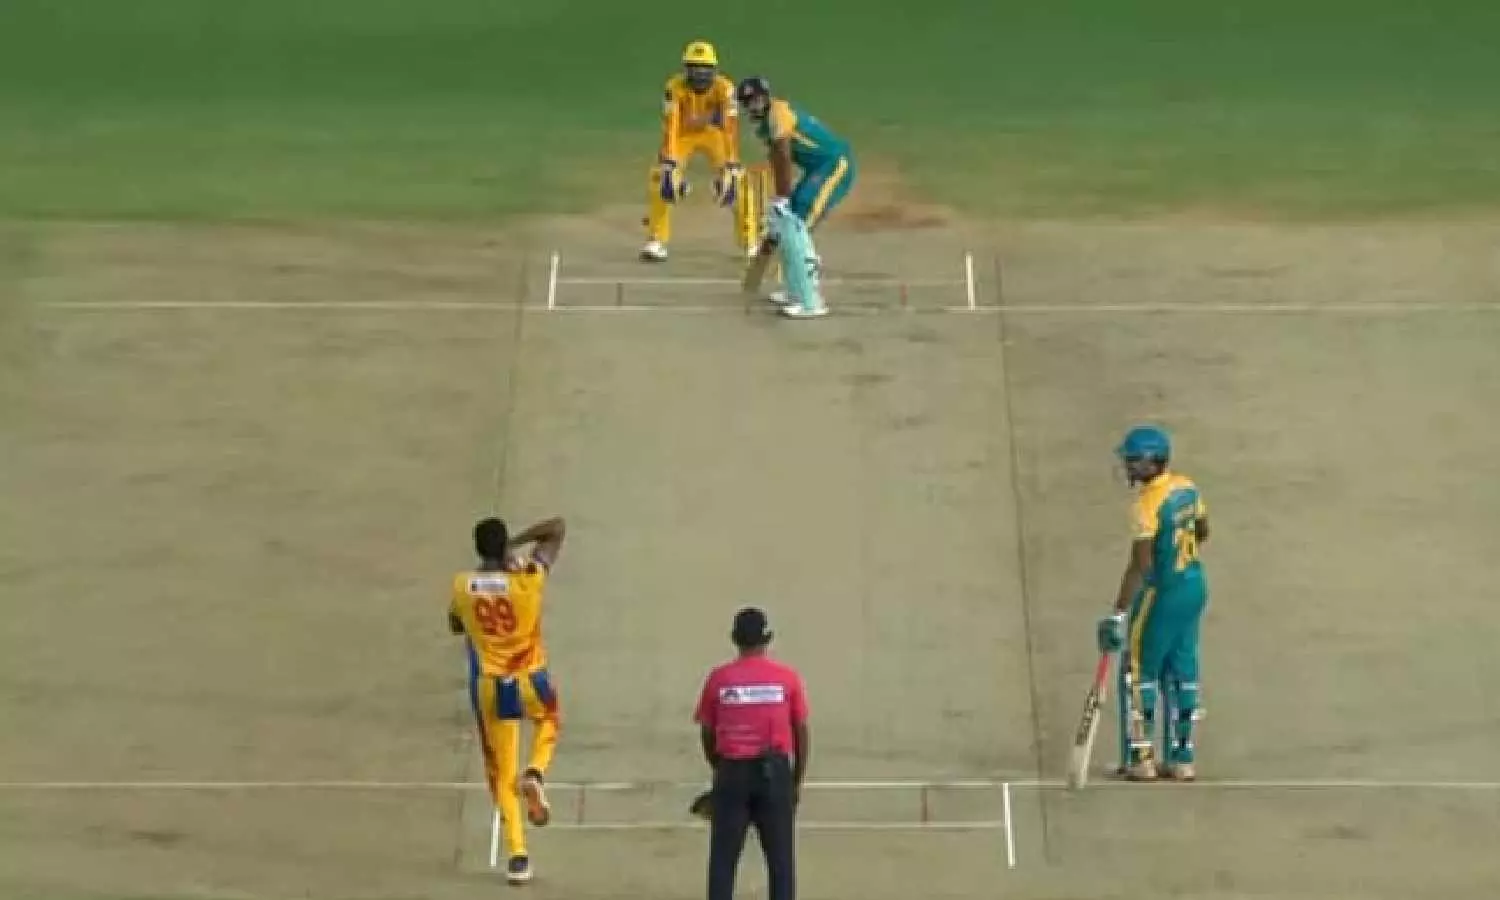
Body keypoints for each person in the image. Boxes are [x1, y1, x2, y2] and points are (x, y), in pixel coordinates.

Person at [448, 515, 567, 883]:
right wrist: (514, 546)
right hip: (532, 678)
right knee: (549, 721)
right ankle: (536, 771)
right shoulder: (527, 578)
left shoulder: (463, 585)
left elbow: (455, 625)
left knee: (501, 770)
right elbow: (556, 528)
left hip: (492, 685)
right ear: (503, 547)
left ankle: (518, 856)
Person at [1096, 426, 1210, 781]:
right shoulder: (1187, 488)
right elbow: (1203, 530)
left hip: (1161, 594)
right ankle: (1182, 759)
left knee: (1138, 671)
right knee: (1182, 671)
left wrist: (1118, 612)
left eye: (1133, 461)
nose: (1128, 467)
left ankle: (1140, 758)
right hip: (1193, 586)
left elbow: (1141, 566)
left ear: (1149, 463)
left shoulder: (1146, 506)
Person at [693, 607, 810, 900]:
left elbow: (707, 731)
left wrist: (720, 767)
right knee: (781, 863)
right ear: (767, 639)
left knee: (723, 861)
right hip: (774, 772)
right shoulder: (786, 678)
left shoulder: (719, 679)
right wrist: (795, 781)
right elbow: (801, 731)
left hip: (733, 771)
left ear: (735, 639)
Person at [736, 75, 856, 319]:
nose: (753, 106)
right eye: (748, 103)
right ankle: (795, 287)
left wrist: (782, 198)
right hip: (817, 169)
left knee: (797, 224)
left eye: (757, 100)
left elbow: (783, 154)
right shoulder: (764, 127)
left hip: (835, 164)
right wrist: (778, 202)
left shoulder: (778, 114)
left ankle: (810, 301)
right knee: (789, 221)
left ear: (766, 97)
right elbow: (775, 160)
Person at [641, 40, 754, 263]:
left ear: (714, 69)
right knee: (660, 178)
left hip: (715, 134)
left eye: (705, 68)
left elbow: (730, 126)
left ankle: (750, 242)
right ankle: (656, 240)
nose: (700, 73)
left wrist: (732, 162)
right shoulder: (674, 87)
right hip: (682, 135)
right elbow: (671, 124)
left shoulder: (725, 88)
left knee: (738, 181)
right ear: (686, 69)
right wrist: (669, 160)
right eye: (694, 67)